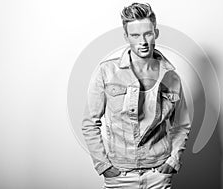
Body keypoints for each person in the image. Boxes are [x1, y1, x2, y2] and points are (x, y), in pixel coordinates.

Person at [82, 3, 191, 188]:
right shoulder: (106, 72)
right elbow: (90, 123)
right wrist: (104, 165)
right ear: (126, 37)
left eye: (147, 34)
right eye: (135, 35)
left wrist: (173, 161)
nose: (143, 41)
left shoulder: (171, 77)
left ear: (156, 33)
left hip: (158, 173)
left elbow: (181, 125)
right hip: (120, 175)